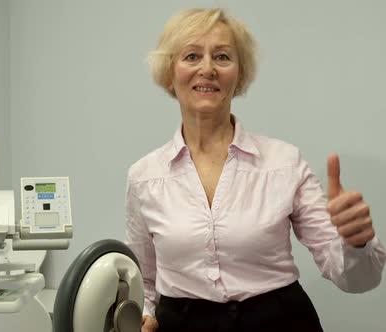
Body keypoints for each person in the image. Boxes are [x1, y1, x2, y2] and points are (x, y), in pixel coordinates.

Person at [125, 8, 386, 332]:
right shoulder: (144, 176)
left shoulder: (285, 162)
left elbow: (356, 279)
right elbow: (145, 280)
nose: (207, 68)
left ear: (240, 74)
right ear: (169, 72)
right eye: (192, 56)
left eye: (222, 57)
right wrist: (145, 312)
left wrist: (356, 244)